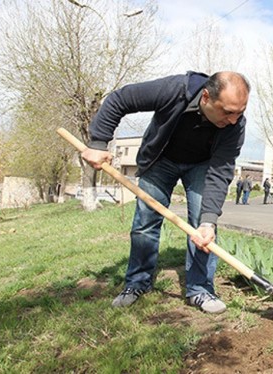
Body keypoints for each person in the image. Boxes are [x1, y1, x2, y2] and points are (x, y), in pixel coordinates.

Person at [81, 71, 250, 314]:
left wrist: (209, 221)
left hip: (203, 165)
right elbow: (121, 99)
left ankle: (200, 289)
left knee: (202, 227)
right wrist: (98, 142)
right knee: (145, 223)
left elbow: (221, 170)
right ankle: (137, 283)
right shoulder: (175, 90)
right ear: (206, 97)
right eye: (227, 112)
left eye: (239, 112)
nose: (233, 119)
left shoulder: (236, 125)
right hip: (160, 161)